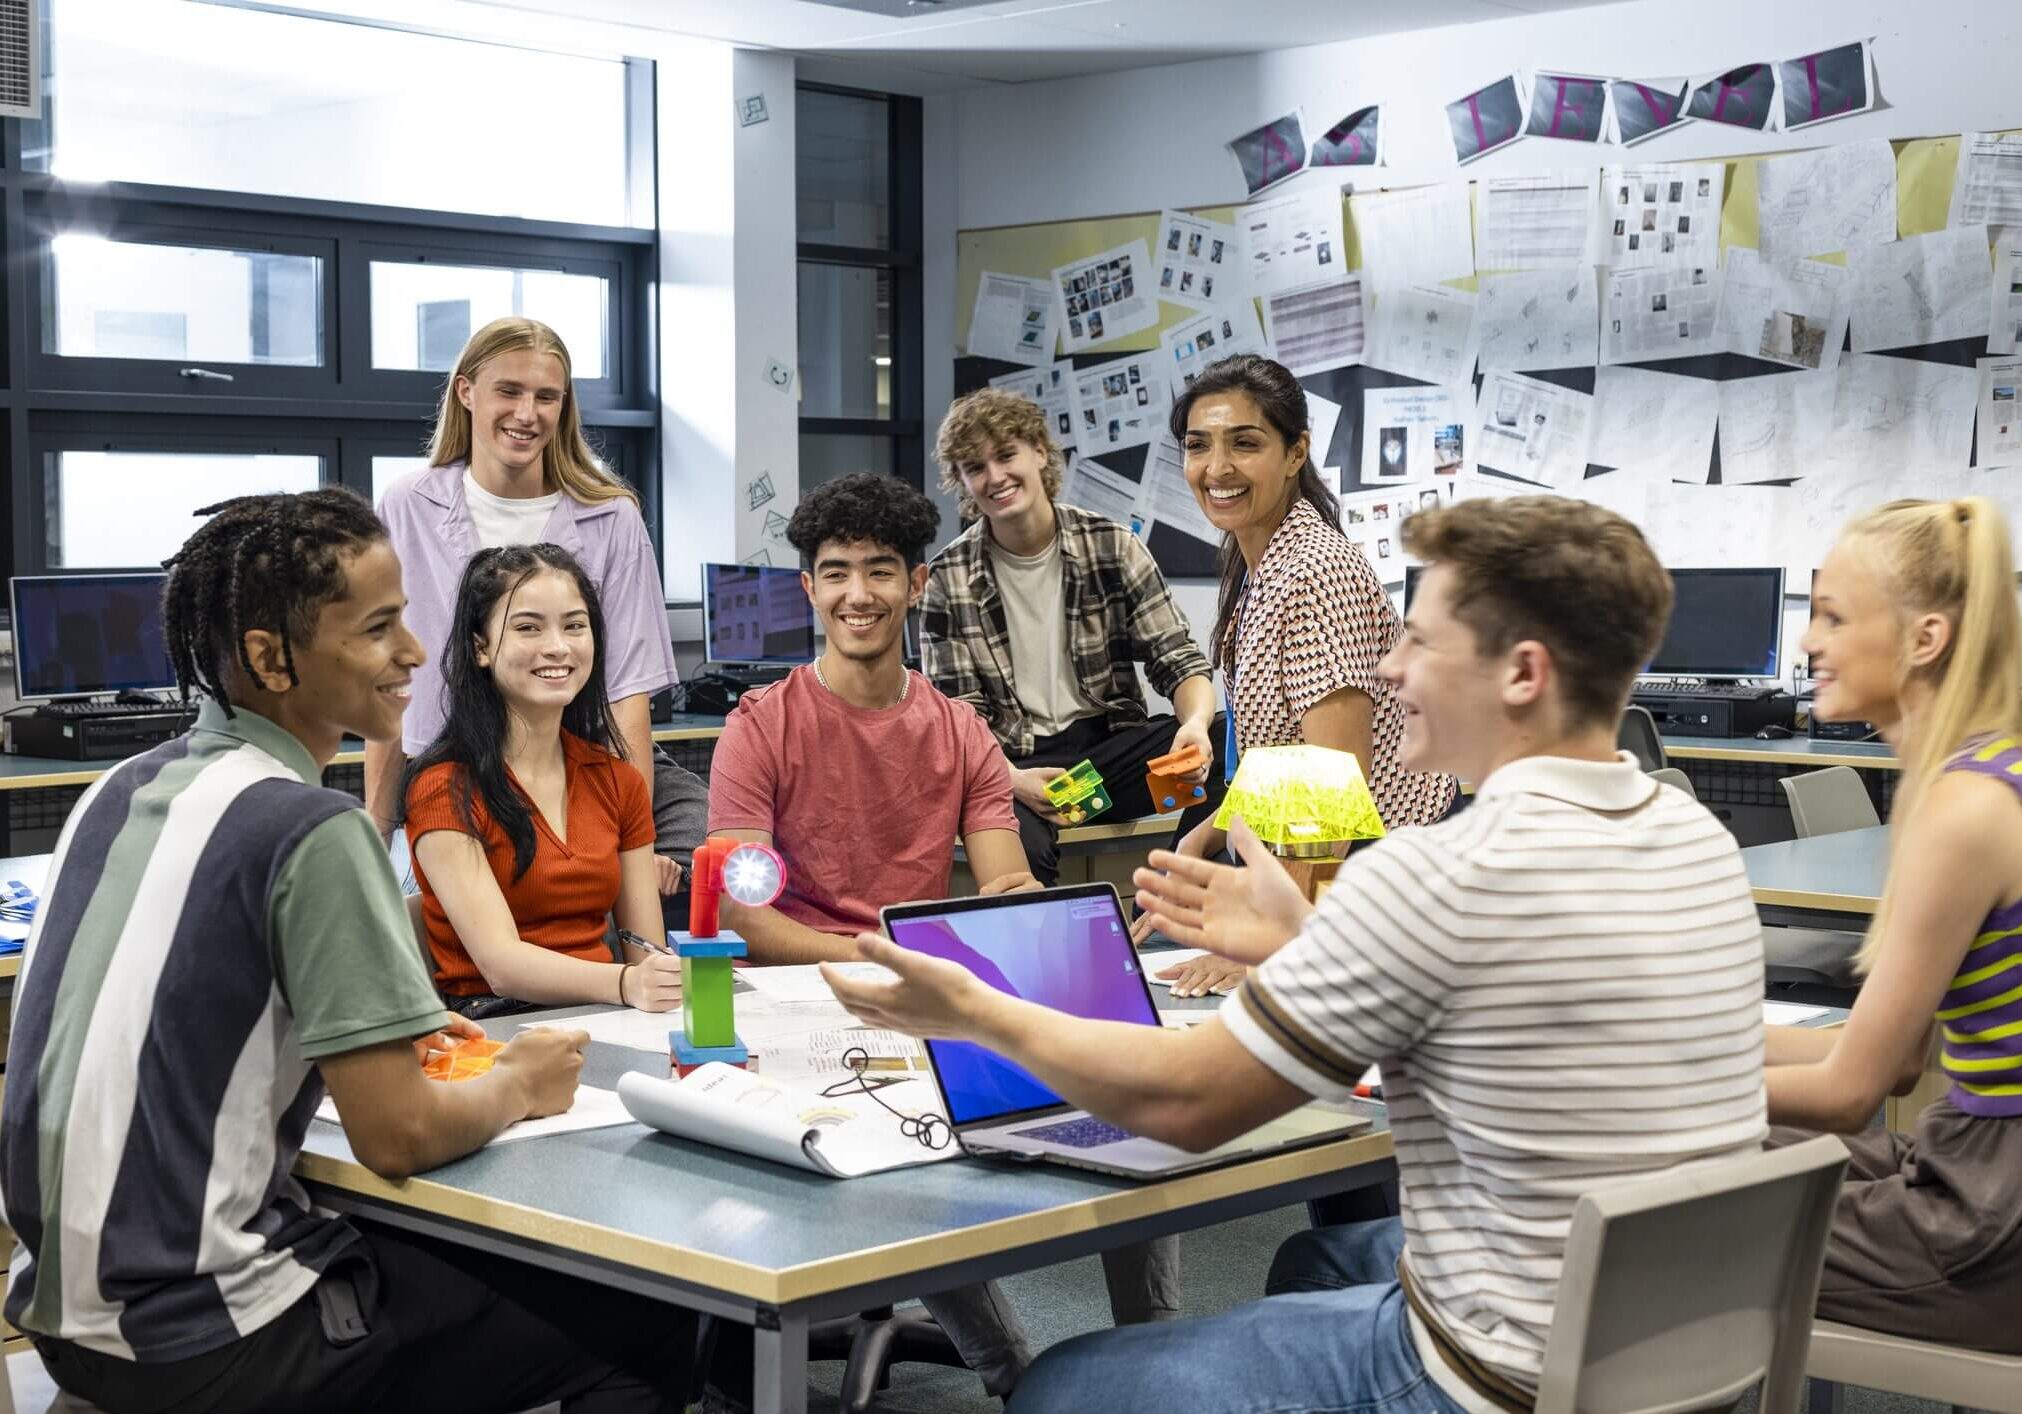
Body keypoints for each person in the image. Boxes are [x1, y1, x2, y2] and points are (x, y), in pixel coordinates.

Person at [822, 495, 1769, 1414]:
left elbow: (1183, 1103)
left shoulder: (1441, 872)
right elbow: (1513, 989)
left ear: (1523, 673)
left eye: (1420, 642)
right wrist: (1312, 940)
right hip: (1683, 1350)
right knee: (1313, 1263)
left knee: (1063, 1385)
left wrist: (976, 1009)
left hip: (1497, 1377)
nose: (1390, 670)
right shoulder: (1693, 836)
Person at [0, 491, 694, 1413]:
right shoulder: (314, 829)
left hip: (65, 1314)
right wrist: (523, 1082)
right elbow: (398, 1137)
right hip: (220, 1331)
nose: (412, 652)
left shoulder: (123, 787)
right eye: (378, 629)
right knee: (639, 1316)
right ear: (268, 657)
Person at [703, 471, 1177, 1405]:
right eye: (835, 573)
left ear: (917, 586)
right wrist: (886, 958)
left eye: (880, 572)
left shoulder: (959, 730)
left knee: (1120, 1078)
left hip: (925, 993)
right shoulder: (760, 727)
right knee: (916, 1131)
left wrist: (1051, 923)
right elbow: (743, 917)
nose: (857, 595)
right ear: (809, 589)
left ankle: (1159, 1362)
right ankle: (1014, 1376)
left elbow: (1000, 876)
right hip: (807, 1002)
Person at [1764, 496, 2022, 1354]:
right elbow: (1902, 1058)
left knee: (1653, 1223)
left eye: (1832, 616)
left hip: (1987, 1219)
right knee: (1722, 1145)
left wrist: (1641, 1085)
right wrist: (1684, 1047)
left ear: (1926, 639)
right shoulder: (1984, 772)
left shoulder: (1962, 807)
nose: (1808, 643)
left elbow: (1850, 1093)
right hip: (1977, 1166)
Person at [1154, 353, 1457, 997]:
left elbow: (1332, 785)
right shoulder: (1262, 563)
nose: (1217, 469)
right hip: (1315, 866)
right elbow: (1284, 758)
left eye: (1245, 443)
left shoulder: (1312, 571)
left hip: (1374, 877)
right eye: (1197, 446)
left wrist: (1272, 947)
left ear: (1296, 453)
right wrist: (1201, 838)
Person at [368, 316, 682, 892]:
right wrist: (375, 833)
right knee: (413, 927)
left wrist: (628, 847)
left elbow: (626, 695)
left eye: (546, 397)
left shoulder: (611, 517)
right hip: (445, 787)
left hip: (568, 789)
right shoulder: (406, 506)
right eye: (508, 391)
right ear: (466, 392)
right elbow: (390, 685)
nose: (526, 414)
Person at [923, 386, 1223, 886]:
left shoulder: (1111, 545)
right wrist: (1013, 780)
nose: (994, 477)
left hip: (1108, 757)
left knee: (1222, 741)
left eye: (1005, 455)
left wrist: (1193, 724)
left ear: (1039, 451)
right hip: (1011, 764)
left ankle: (1167, 900)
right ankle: (1049, 958)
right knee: (1022, 853)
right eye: (975, 467)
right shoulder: (946, 578)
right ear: (963, 483)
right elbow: (959, 722)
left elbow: (1178, 660)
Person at [404, 544, 684, 1018]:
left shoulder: (619, 781)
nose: (558, 646)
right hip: (496, 1024)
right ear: (481, 648)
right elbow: (502, 965)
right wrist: (626, 982)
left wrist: (657, 979)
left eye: (575, 625)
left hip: (611, 1016)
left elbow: (646, 951)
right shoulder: (442, 787)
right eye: (529, 627)